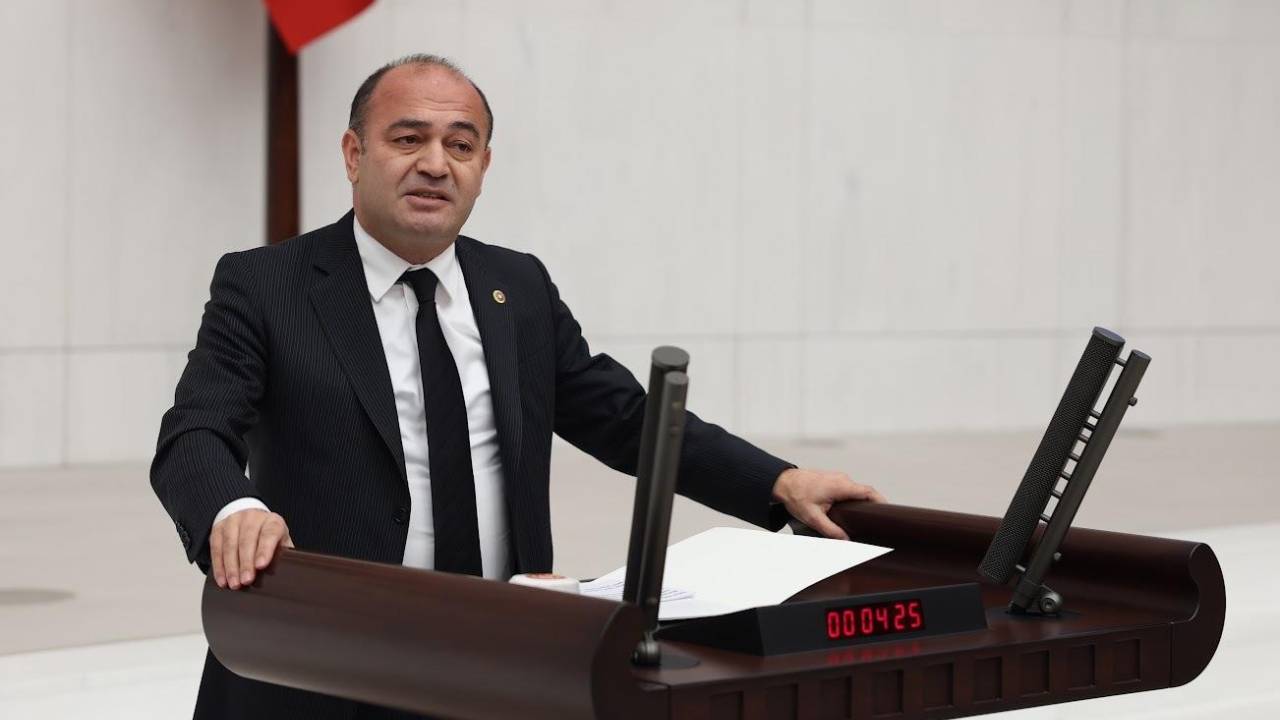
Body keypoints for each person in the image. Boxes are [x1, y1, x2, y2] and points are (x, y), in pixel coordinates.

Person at [151, 54, 884, 720]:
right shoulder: (267, 285)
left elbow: (624, 418)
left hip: (499, 663)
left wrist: (777, 482)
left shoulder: (517, 286)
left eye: (460, 145)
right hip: (326, 665)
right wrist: (233, 509)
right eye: (408, 139)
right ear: (353, 154)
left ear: (484, 164)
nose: (435, 164)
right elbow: (195, 431)